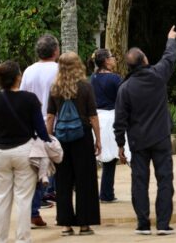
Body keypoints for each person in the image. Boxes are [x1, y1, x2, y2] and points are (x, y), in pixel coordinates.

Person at [114, 26, 176, 236]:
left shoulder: (125, 88)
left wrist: (120, 144)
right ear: (144, 61)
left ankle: (143, 223)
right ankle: (162, 224)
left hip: (138, 141)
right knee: (165, 180)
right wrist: (170, 39)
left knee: (139, 182)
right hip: (160, 137)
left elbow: (120, 120)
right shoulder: (158, 76)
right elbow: (169, 57)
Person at [0, 61, 52, 243]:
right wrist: (48, 143)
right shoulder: (30, 99)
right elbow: (41, 129)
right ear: (17, 78)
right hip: (25, 151)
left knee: (0, 200)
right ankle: (22, 239)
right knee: (24, 199)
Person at [47, 52, 101, 236]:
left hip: (62, 137)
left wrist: (49, 139)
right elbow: (93, 115)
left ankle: (65, 224)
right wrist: (98, 139)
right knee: (85, 180)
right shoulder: (85, 87)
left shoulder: (55, 88)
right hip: (82, 136)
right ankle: (85, 224)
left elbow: (50, 116)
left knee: (63, 181)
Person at [19, 34, 60, 227]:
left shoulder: (28, 71)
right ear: (55, 51)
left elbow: (23, 96)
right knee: (60, 165)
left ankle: (34, 209)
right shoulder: (59, 69)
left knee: (36, 167)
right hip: (57, 121)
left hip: (32, 124)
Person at [88, 48, 124, 203]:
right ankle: (107, 193)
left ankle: (94, 192)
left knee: (98, 156)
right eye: (112, 57)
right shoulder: (116, 79)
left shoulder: (92, 78)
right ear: (106, 61)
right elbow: (123, 99)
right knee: (110, 158)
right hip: (111, 118)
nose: (114, 59)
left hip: (96, 118)